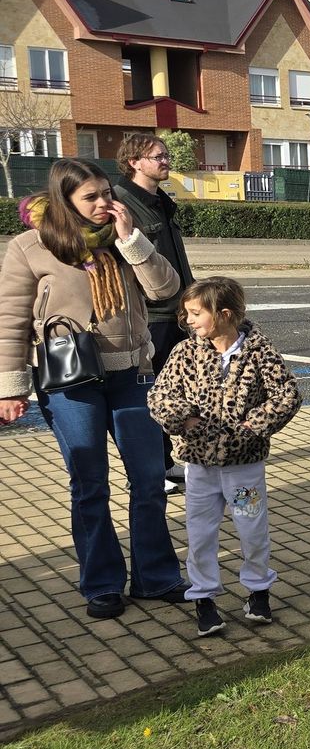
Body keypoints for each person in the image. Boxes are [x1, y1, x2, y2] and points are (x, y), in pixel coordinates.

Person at [0, 158, 184, 619]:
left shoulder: (124, 238)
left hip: (132, 375)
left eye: (107, 193)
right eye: (90, 197)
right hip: (70, 381)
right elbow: (11, 321)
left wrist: (131, 241)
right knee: (90, 484)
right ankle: (102, 583)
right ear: (65, 202)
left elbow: (166, 290)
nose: (103, 203)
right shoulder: (31, 246)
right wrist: (10, 388)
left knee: (149, 480)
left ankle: (156, 577)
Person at [146, 278, 302, 637]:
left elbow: (287, 394)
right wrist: (183, 417)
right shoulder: (185, 352)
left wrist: (252, 426)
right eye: (187, 313)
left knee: (252, 528)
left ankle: (258, 591)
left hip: (244, 467)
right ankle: (203, 596)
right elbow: (160, 395)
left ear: (224, 314)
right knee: (200, 533)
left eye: (196, 313)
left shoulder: (259, 350)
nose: (188, 320)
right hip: (199, 467)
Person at [112, 132, 196, 492]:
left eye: (165, 155)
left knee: (169, 393)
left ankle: (164, 462)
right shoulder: (121, 203)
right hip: (150, 316)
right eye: (158, 156)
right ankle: (147, 472)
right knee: (148, 396)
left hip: (176, 311)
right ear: (134, 162)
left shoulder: (160, 200)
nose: (166, 161)